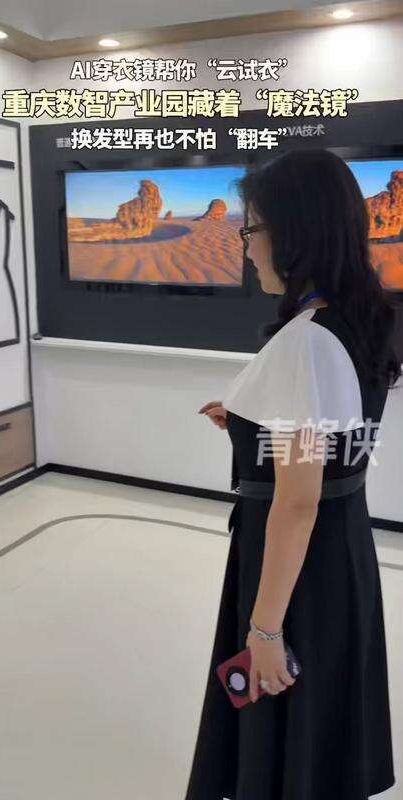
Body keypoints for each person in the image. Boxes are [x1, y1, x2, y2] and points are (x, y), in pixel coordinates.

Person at [184, 147, 401, 800]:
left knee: (281, 710)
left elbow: (298, 501)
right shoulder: (364, 315)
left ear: (294, 232)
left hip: (295, 565)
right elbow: (333, 431)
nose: (246, 246)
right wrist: (249, 422)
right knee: (322, 723)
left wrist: (265, 629)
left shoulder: (306, 339)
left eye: (251, 228)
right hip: (342, 548)